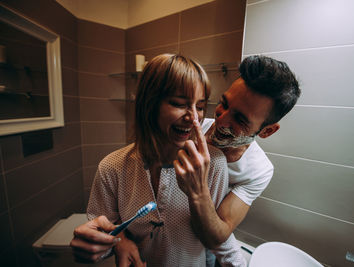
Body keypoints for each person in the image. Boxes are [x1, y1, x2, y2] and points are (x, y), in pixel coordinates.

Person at [70, 54, 245, 266]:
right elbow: (105, 228)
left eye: (199, 106)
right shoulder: (112, 167)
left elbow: (217, 239)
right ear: (149, 104)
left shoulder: (214, 163)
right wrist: (116, 241)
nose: (193, 117)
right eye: (179, 104)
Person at [174, 55, 301, 265]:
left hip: (200, 251)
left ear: (267, 131)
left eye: (240, 119)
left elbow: (218, 234)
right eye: (224, 103)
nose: (221, 119)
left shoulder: (258, 170)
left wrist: (197, 191)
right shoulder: (187, 128)